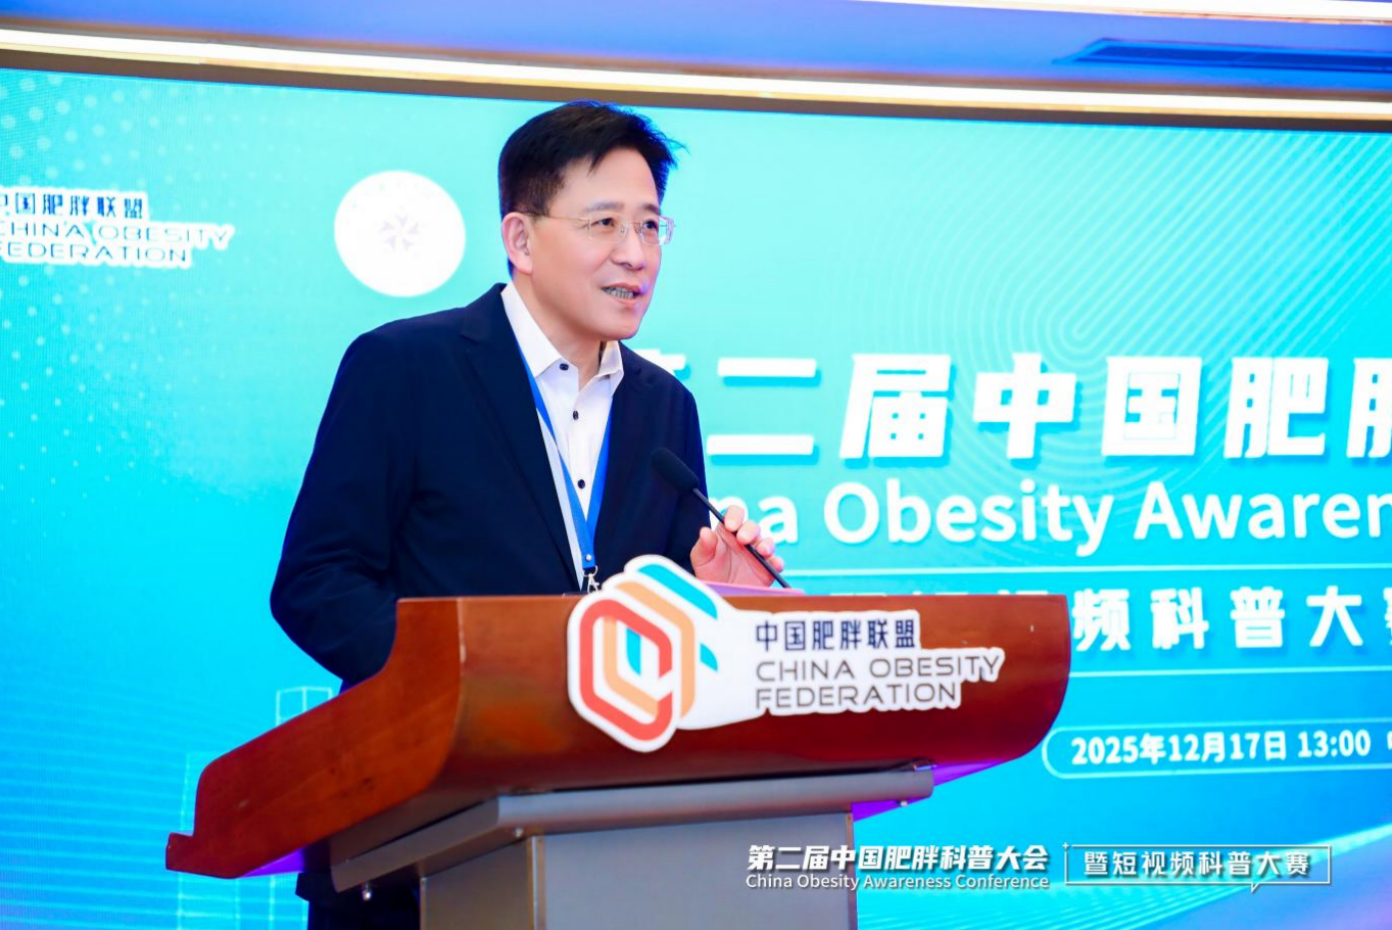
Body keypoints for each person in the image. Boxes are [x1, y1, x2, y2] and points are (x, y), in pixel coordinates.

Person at [271, 100, 784, 929]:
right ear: (521, 238)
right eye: (605, 223)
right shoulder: (405, 367)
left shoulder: (665, 407)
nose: (636, 254)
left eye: (651, 226)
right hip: (414, 849)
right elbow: (317, 584)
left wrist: (720, 597)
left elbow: (656, 637)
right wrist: (471, 690)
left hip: (609, 851)